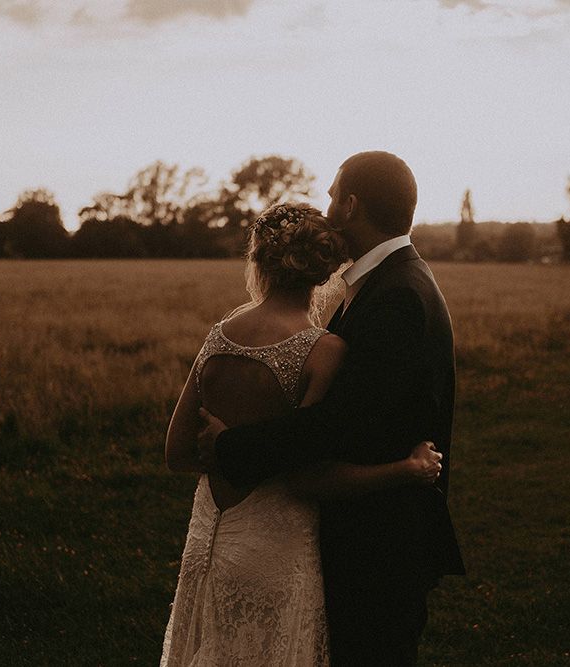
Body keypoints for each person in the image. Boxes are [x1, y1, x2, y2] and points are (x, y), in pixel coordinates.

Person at [198, 151, 466, 666]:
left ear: (350, 205)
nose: (324, 207)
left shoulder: (398, 295)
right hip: (370, 533)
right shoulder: (388, 282)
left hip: (382, 544)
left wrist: (231, 445)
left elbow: (341, 422)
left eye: (330, 194)